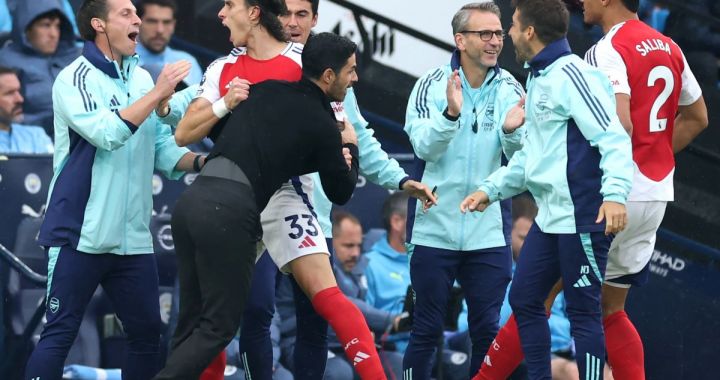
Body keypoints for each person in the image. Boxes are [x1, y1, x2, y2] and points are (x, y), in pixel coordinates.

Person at [471, 0, 709, 378]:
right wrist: (651, 156)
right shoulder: (670, 46)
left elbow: (618, 125)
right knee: (609, 309)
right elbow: (698, 117)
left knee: (538, 299)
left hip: (609, 196)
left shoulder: (606, 50)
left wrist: (616, 175)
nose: (581, 2)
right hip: (656, 194)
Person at [155, 32, 384, 379]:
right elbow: (341, 188)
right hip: (241, 205)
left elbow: (206, 133)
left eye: (303, 15)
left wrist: (176, 106)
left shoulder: (258, 87)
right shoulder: (319, 119)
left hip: (199, 199)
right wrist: (348, 147)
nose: (355, 79)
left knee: (199, 324)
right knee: (225, 324)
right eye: (350, 71)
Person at [24, 0, 200, 378]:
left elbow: (162, 151)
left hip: (133, 239)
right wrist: (158, 93)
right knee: (59, 334)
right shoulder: (75, 77)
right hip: (80, 234)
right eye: (127, 13)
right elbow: (107, 133)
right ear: (99, 24)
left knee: (147, 336)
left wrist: (203, 163)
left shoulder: (140, 80)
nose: (137, 19)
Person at [460, 0, 634, 378]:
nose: (507, 33)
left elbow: (614, 138)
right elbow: (532, 159)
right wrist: (491, 189)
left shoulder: (573, 75)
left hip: (585, 215)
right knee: (524, 299)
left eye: (512, 24)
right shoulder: (539, 76)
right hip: (552, 216)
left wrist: (617, 193)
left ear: (529, 32)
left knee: (584, 314)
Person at [401, 2, 526, 378]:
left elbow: (524, 162)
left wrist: (511, 132)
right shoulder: (431, 83)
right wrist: (450, 115)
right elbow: (422, 148)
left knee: (487, 331)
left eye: (499, 33)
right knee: (425, 330)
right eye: (484, 34)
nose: (494, 42)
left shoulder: (512, 88)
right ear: (460, 40)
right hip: (433, 227)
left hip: (487, 232)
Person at [330, 211, 406, 379]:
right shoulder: (323, 271)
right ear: (329, 241)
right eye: (349, 245)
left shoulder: (358, 269)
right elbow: (343, 304)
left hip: (353, 345)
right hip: (323, 345)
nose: (356, 253)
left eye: (359, 245)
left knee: (398, 363)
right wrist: (391, 319)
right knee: (339, 373)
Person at [0, 0, 81, 137]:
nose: (53, 34)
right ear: (27, 28)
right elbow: (7, 116)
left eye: (57, 26)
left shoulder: (79, 57)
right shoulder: (6, 61)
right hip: (33, 144)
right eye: (46, 25)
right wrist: (49, 121)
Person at [136, 0, 203, 86]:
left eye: (166, 22)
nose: (160, 30)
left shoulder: (188, 62)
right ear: (137, 23)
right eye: (152, 21)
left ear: (173, 25)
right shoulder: (122, 60)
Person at [0, 66, 53, 154]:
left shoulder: (36, 136)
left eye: (19, 91)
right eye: (9, 93)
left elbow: (52, 167)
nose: (20, 99)